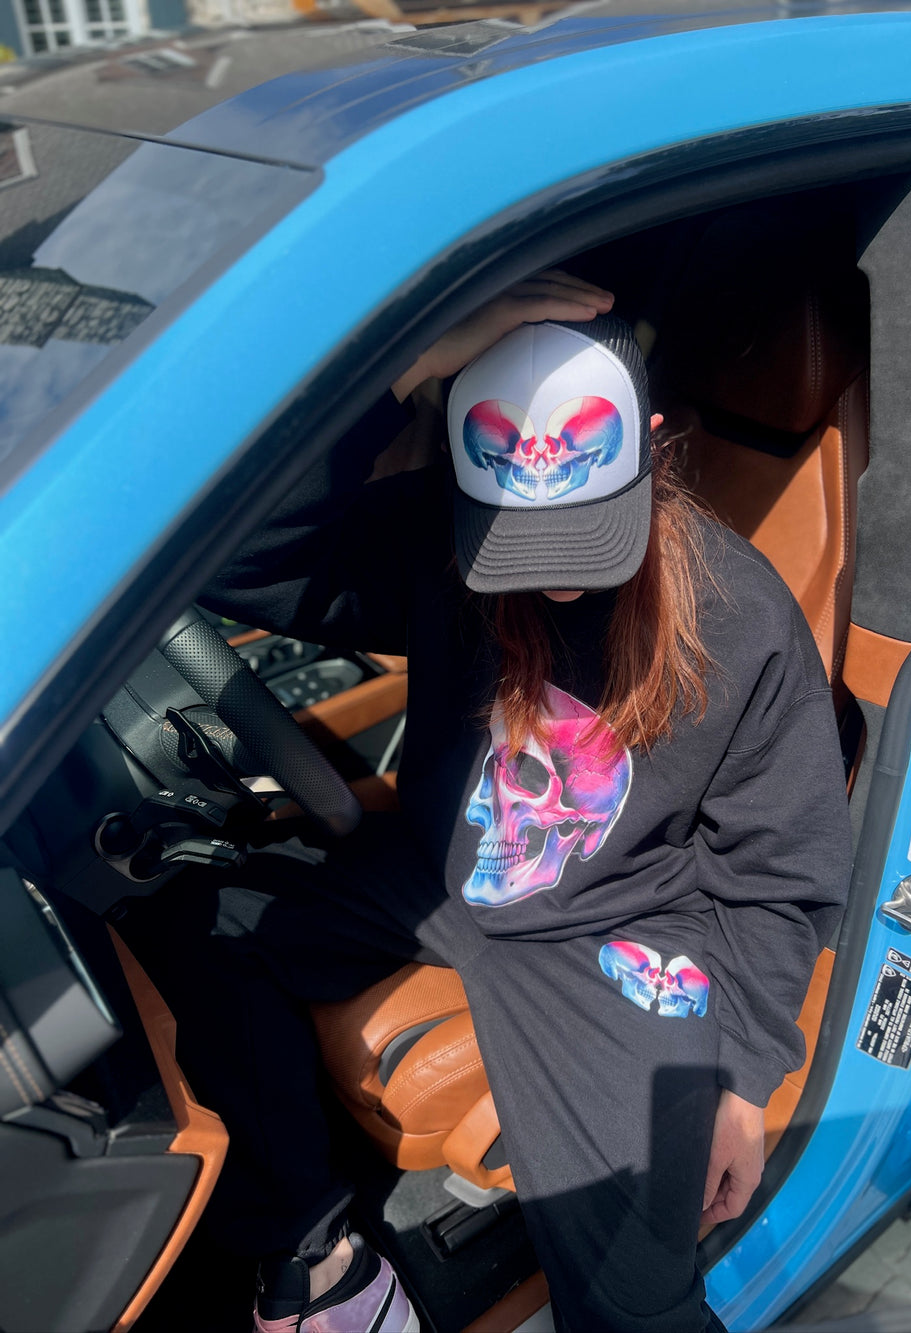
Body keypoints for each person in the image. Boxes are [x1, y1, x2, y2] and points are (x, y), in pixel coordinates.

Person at [122, 272, 851, 1333]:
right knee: (199, 921)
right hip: (442, 871)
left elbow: (780, 873)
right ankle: (319, 1257)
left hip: (616, 924)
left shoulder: (741, 614)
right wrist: (407, 362)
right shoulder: (438, 540)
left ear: (653, 448)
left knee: (636, 1300)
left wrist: (744, 1083)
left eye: (586, 538)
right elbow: (237, 554)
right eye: (518, 541)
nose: (555, 580)